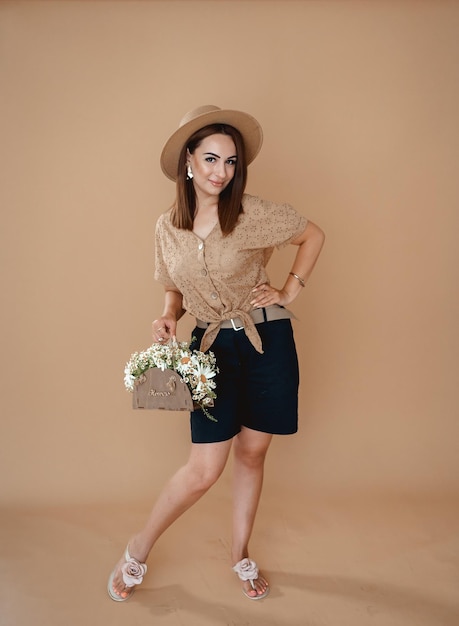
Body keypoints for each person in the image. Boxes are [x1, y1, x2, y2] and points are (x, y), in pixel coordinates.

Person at [107, 105, 325, 602]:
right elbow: (172, 287)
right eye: (210, 159)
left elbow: (313, 235)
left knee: (252, 454)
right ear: (188, 160)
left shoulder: (252, 213)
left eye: (230, 162)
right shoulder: (168, 228)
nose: (220, 172)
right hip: (210, 348)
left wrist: (289, 291)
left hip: (267, 342)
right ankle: (136, 550)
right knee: (204, 470)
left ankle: (240, 554)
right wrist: (169, 315)